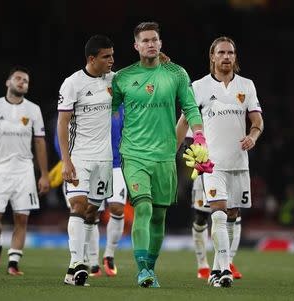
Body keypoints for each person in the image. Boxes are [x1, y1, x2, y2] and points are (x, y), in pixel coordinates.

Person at [111, 21, 209, 288]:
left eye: (154, 39)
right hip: (134, 154)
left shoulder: (176, 74)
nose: (150, 44)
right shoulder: (121, 78)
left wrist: (199, 136)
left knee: (158, 215)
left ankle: (150, 268)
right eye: (145, 40)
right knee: (141, 207)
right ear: (136, 45)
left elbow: (190, 108)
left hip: (166, 156)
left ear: (161, 43)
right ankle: (142, 270)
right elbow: (107, 112)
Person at [177, 36, 263, 287]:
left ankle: (217, 269)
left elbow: (257, 121)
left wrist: (253, 136)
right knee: (218, 213)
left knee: (233, 215)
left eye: (231, 53)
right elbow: (183, 123)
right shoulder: (199, 86)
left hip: (238, 162)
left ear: (235, 57)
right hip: (211, 163)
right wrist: (171, 152)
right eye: (222, 53)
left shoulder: (246, 86)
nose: (226, 57)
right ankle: (223, 270)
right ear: (212, 57)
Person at [0, 66, 50, 276]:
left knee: (21, 218)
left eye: (26, 80)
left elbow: (40, 142)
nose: (23, 82)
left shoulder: (33, 110)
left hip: (24, 172)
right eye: (18, 78)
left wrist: (44, 174)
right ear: (8, 82)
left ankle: (13, 262)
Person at [57, 34, 114, 286]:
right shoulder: (73, 83)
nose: (112, 60)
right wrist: (66, 161)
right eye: (106, 56)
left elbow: (140, 76)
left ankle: (78, 268)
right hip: (79, 156)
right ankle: (76, 262)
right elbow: (62, 123)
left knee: (92, 212)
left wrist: (158, 62)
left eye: (112, 55)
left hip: (105, 158)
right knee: (77, 205)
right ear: (92, 59)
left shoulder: (114, 80)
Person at [182, 131, 243, 280]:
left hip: (230, 168)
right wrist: (197, 159)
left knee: (233, 213)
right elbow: (188, 141)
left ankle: (228, 262)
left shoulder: (234, 108)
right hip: (206, 170)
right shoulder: (200, 109)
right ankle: (202, 265)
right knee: (201, 216)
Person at [88, 104, 127, 278]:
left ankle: (109, 254)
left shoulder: (123, 107)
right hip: (93, 163)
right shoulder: (90, 101)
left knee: (118, 208)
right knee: (91, 212)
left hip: (117, 164)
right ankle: (93, 260)